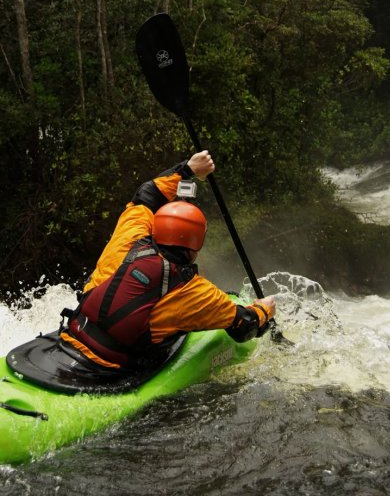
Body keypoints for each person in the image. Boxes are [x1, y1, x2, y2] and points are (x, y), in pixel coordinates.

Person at [60, 151, 276, 369]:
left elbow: (147, 194)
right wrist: (264, 310)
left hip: (76, 333)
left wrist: (188, 169)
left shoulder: (130, 235)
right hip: (113, 365)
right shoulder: (194, 292)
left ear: (156, 226)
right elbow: (243, 325)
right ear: (197, 243)